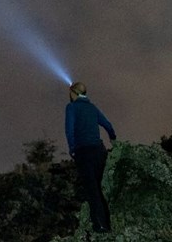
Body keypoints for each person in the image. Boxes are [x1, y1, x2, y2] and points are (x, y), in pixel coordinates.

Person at [65, 81, 116, 234]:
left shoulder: (71, 107)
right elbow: (107, 124)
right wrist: (113, 138)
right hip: (99, 151)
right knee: (100, 189)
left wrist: (72, 148)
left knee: (92, 190)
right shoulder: (92, 108)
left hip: (84, 152)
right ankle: (108, 222)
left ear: (73, 93)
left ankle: (100, 226)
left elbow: (69, 129)